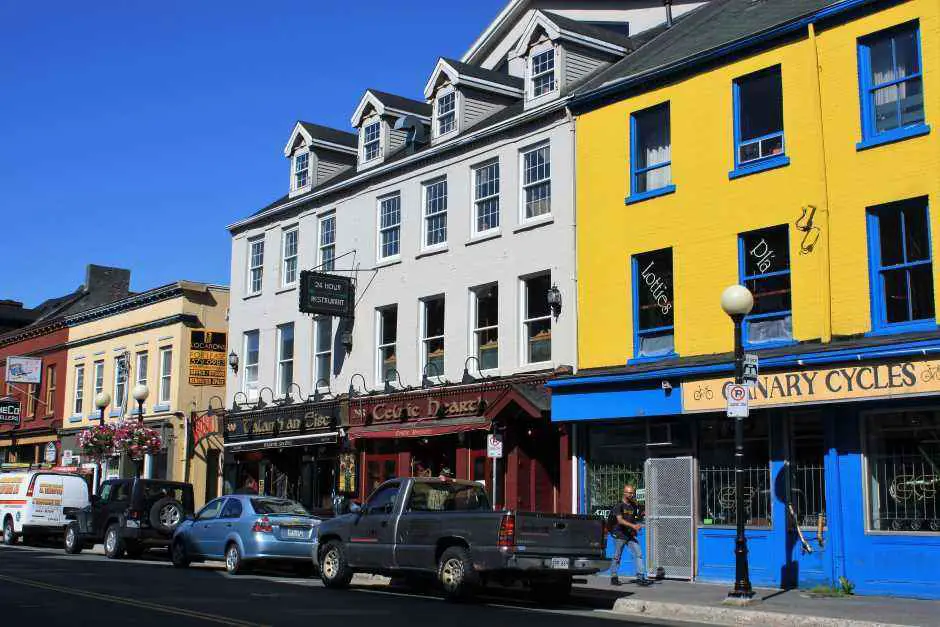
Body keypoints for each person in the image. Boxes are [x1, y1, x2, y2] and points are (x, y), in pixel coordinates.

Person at [610, 484, 648, 586]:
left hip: (630, 534)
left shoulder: (633, 505)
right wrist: (633, 526)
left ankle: (640, 577)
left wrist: (642, 516)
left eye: (633, 493)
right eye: (630, 493)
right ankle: (614, 577)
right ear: (624, 493)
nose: (632, 495)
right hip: (619, 534)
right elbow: (620, 520)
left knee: (638, 553)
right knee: (617, 556)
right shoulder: (619, 505)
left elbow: (635, 517)